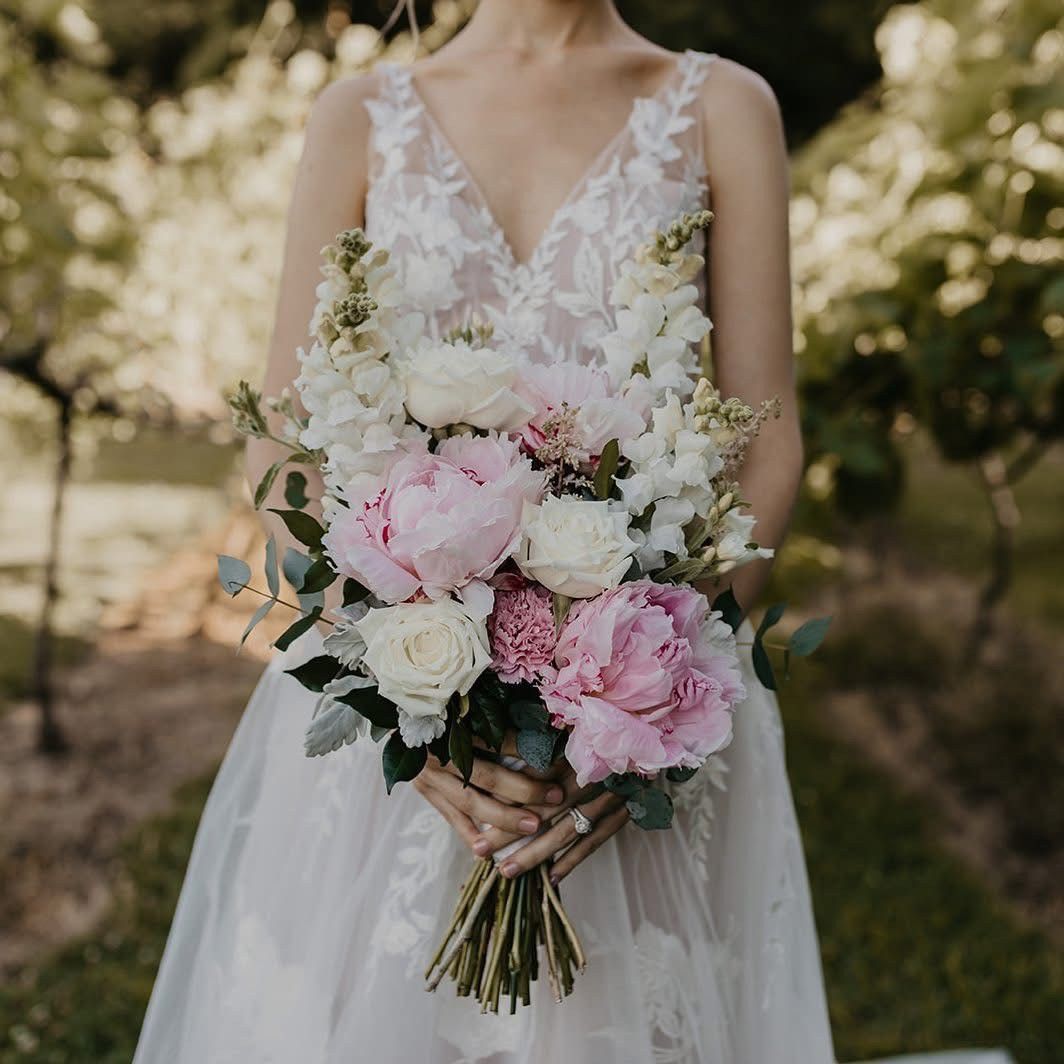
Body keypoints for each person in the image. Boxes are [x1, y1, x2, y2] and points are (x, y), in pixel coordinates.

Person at [133, 3, 998, 1061]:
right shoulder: (358, 117)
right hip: (400, 702)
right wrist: (396, 701)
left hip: (637, 698)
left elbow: (764, 444)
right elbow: (283, 449)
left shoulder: (720, 106)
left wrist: (640, 698)